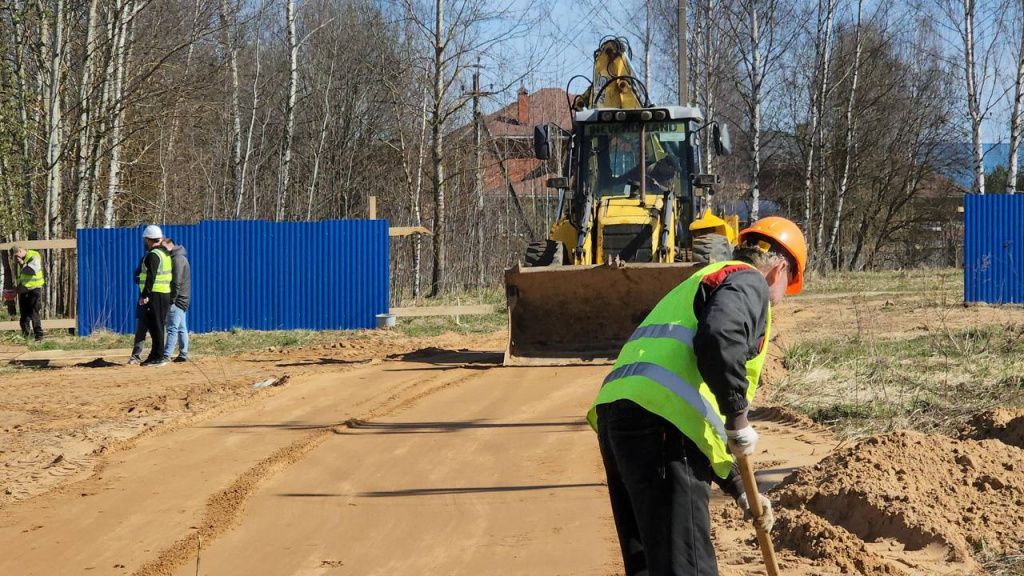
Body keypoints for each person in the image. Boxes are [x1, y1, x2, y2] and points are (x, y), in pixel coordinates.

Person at [587, 216, 808, 576]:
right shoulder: (748, 281)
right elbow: (718, 339)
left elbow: (699, 407)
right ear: (779, 269)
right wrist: (739, 415)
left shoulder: (702, 280)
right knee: (687, 567)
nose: (781, 300)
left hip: (620, 420)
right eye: (789, 285)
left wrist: (738, 485)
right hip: (662, 430)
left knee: (651, 565)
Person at [138, 225, 173, 367]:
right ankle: (155, 355)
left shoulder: (153, 255)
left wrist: (145, 294)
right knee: (156, 326)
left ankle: (158, 356)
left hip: (155, 294)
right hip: (164, 293)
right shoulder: (164, 253)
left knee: (156, 326)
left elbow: (151, 276)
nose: (145, 243)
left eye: (146, 240)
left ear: (149, 239)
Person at [161, 238, 190, 362]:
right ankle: (183, 354)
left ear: (169, 245)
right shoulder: (180, 257)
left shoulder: (177, 259)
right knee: (181, 328)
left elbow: (176, 282)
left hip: (178, 299)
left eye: (163, 247)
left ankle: (166, 355)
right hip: (183, 298)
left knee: (172, 328)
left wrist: (171, 299)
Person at [11, 246, 45, 341]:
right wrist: (17, 289)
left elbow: (32, 271)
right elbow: (21, 277)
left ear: (21, 250)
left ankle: (39, 337)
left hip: (34, 289)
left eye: (17, 255)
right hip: (23, 290)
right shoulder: (19, 260)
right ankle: (26, 337)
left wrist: (22, 264)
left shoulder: (33, 256)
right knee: (24, 315)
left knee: (34, 313)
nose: (17, 257)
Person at [127, 251, 151, 365]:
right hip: (144, 299)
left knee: (159, 329)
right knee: (142, 328)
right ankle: (135, 356)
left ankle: (162, 354)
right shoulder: (145, 259)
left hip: (155, 300)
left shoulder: (158, 259)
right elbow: (136, 277)